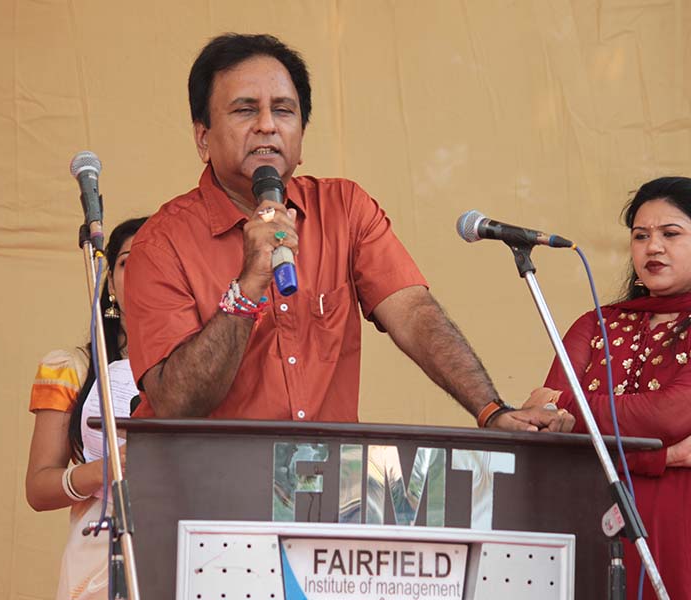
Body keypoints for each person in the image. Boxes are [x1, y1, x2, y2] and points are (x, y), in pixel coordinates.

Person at [126, 33, 572, 433]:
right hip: (208, 485)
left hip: (324, 481)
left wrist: (490, 410)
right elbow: (174, 403)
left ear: (301, 135)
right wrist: (247, 289)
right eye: (245, 110)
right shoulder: (160, 244)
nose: (267, 125)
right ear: (203, 138)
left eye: (283, 110)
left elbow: (414, 314)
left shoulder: (344, 208)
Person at [527, 177, 691, 599]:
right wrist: (665, 456)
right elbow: (548, 425)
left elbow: (669, 414)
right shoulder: (595, 323)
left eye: (670, 234)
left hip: (679, 524)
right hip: (591, 516)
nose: (653, 247)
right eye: (641, 236)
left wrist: (569, 405)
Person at [25, 216, 147, 600]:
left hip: (184, 546)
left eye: (156, 262)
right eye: (128, 262)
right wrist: (104, 471)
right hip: (98, 561)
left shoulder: (205, 369)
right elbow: (39, 488)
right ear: (110, 283)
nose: (142, 274)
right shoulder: (73, 369)